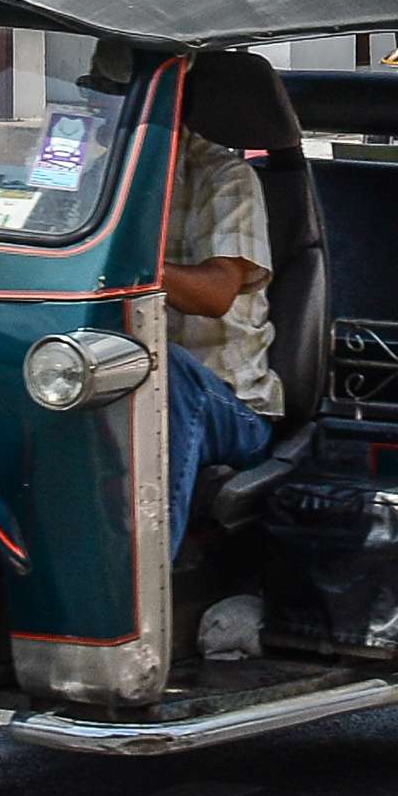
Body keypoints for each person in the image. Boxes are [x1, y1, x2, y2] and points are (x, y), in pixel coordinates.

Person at [160, 126, 283, 539]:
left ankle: (146, 574)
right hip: (113, 371)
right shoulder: (95, 167)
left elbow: (216, 293)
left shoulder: (223, 176)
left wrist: (130, 262)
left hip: (228, 402)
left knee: (167, 370)